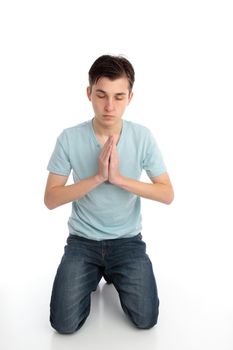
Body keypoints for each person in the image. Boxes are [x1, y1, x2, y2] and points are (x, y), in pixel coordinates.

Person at [44, 54, 174, 334]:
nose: (109, 106)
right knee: (63, 325)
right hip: (83, 242)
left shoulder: (143, 137)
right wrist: (98, 177)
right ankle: (93, 274)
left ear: (130, 97)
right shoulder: (69, 138)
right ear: (89, 93)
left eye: (118, 97)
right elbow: (51, 199)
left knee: (146, 320)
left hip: (127, 242)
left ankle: (113, 273)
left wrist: (118, 179)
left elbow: (166, 194)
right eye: (101, 95)